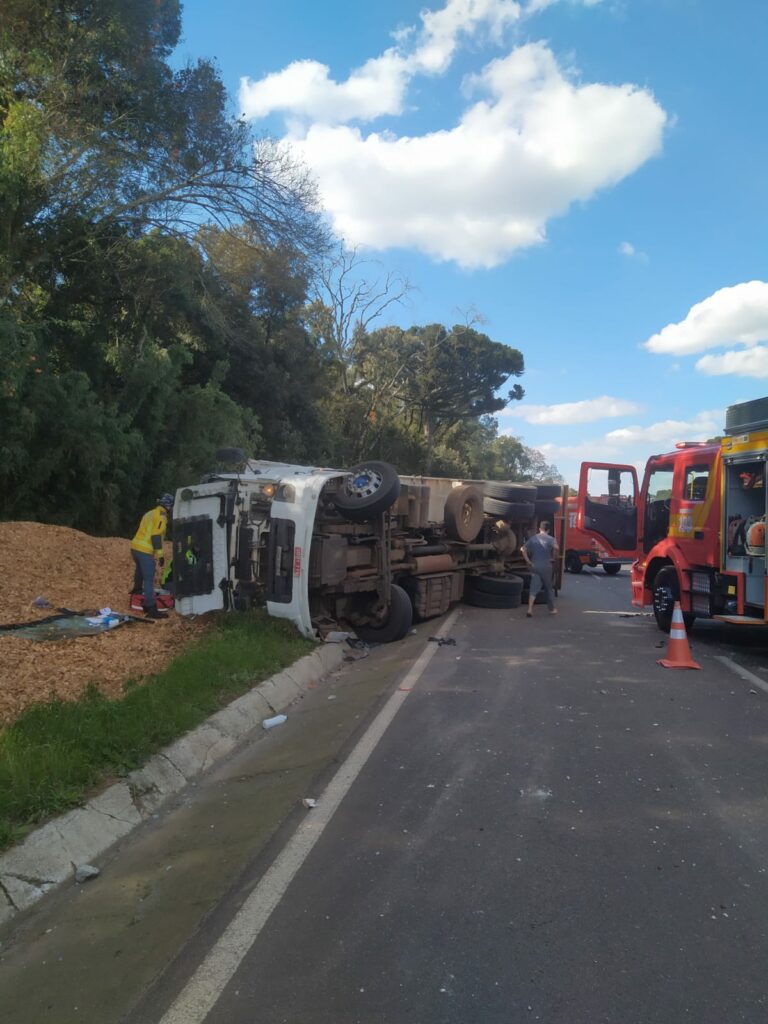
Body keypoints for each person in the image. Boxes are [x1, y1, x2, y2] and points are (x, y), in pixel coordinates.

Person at [130, 493, 174, 619]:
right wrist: (160, 555)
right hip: (145, 549)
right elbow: (155, 536)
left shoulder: (149, 513)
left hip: (135, 547)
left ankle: (136, 590)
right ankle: (151, 608)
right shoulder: (161, 516)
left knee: (139, 570)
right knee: (149, 578)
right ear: (169, 506)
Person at [521, 520, 559, 618]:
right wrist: (553, 558)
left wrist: (528, 561)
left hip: (535, 566)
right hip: (546, 566)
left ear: (539, 529)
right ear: (549, 530)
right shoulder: (551, 539)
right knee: (548, 588)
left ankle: (530, 609)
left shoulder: (533, 539)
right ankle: (552, 609)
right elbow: (556, 548)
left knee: (534, 588)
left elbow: (523, 549)